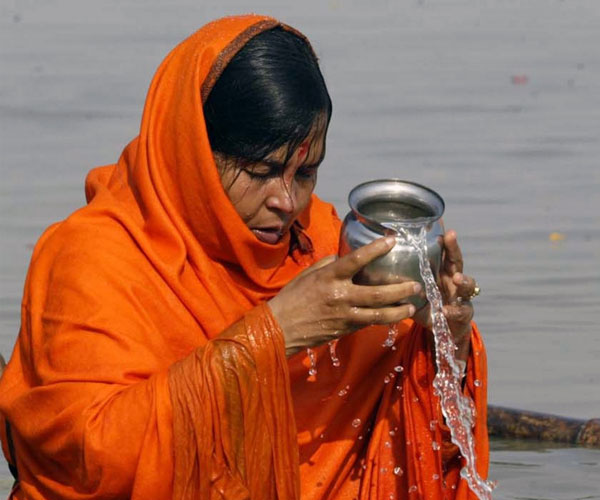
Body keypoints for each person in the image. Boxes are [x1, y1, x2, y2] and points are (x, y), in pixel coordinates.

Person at [0, 14, 489, 500]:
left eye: (305, 173)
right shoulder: (95, 260)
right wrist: (275, 335)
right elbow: (90, 461)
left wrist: (444, 338)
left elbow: (413, 444)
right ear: (191, 153)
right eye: (259, 172)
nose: (287, 201)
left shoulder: (322, 244)